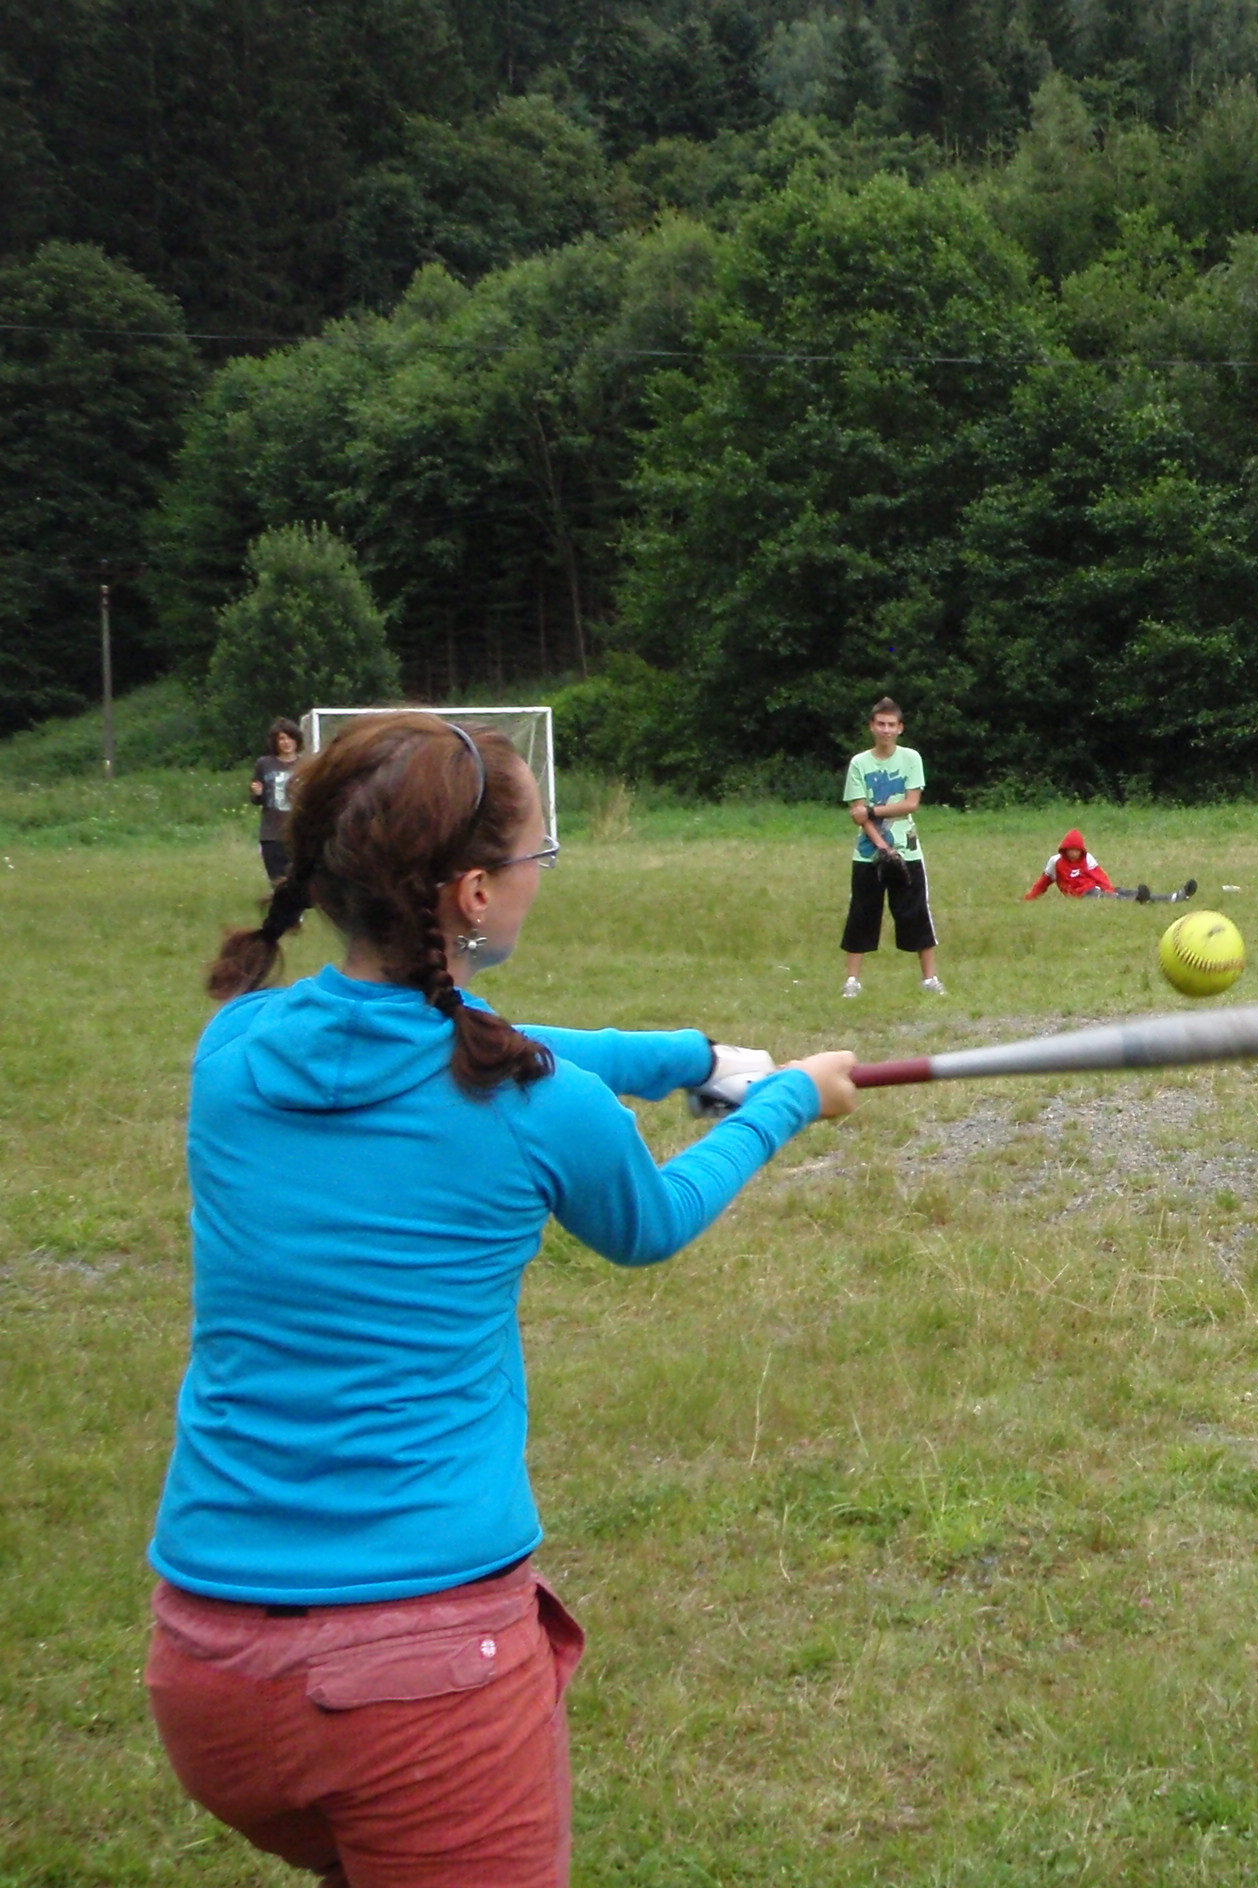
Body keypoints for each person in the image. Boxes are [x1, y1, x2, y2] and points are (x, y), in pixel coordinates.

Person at [146, 712, 859, 1887]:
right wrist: (789, 1101)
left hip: (209, 1671)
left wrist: (689, 1056)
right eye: (538, 856)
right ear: (474, 894)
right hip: (414, 1679)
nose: (541, 875)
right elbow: (653, 1220)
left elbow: (470, 1041)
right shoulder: (538, 1107)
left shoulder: (237, 1049)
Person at [840, 698, 940, 997]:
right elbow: (858, 813)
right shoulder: (860, 763)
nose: (886, 730)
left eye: (891, 725)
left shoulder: (911, 759)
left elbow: (911, 803)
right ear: (872, 727)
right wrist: (882, 847)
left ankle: (930, 979)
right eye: (881, 724)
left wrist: (873, 811)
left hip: (907, 850)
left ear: (900, 728)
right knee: (862, 913)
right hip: (868, 853)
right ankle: (852, 981)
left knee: (916, 913)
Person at [1022, 827, 1197, 903]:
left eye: (1077, 850)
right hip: (1083, 896)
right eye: (1070, 850)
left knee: (1123, 892)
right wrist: (1029, 898)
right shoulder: (1055, 862)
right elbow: (1043, 883)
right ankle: (1138, 900)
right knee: (1115, 899)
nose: (1073, 853)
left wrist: (1110, 889)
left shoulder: (1087, 859)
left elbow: (1100, 876)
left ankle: (1175, 897)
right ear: (1065, 849)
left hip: (1096, 889)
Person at [247, 719, 301, 885]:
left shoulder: (306, 763)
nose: (286, 742)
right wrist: (257, 794)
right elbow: (256, 799)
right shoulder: (264, 764)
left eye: (290, 738)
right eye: (281, 739)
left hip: (298, 831)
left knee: (299, 877)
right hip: (272, 832)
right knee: (277, 880)